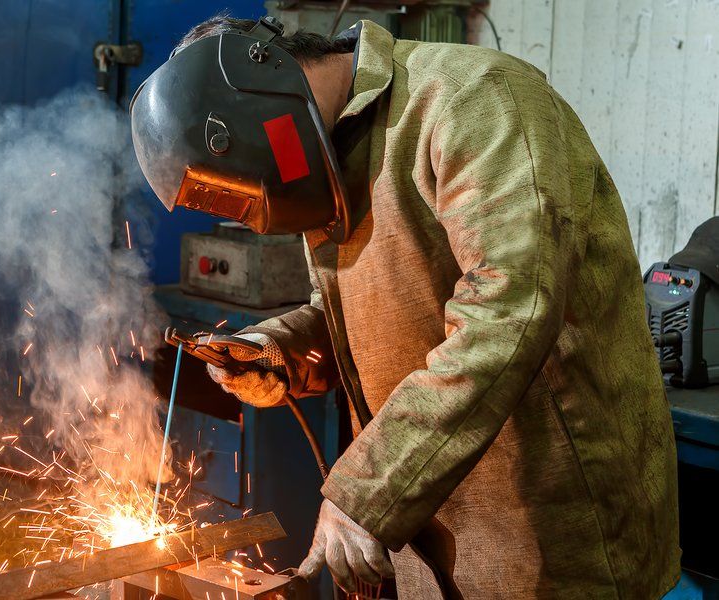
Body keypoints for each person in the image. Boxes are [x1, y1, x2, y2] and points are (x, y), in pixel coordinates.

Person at [129, 15, 680, 599]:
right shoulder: (326, 155)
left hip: (551, 542)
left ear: (249, 94)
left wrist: (365, 491)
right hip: (430, 541)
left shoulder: (473, 98)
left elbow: (511, 306)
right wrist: (284, 352)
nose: (247, 215)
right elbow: (357, 307)